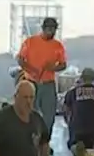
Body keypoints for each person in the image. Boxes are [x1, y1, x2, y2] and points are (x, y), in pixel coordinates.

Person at [16, 16, 66, 148]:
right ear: (43, 28)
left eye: (54, 30)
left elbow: (63, 65)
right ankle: (28, 142)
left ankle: (44, 143)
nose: (52, 32)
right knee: (29, 112)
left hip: (48, 84)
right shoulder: (30, 42)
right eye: (50, 29)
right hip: (30, 82)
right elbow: (20, 60)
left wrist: (53, 68)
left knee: (49, 116)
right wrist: (32, 70)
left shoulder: (58, 46)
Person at [64, 67, 94, 151]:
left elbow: (66, 110)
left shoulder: (72, 92)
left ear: (82, 78)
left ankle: (75, 145)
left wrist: (70, 122)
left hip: (77, 130)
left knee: (75, 140)